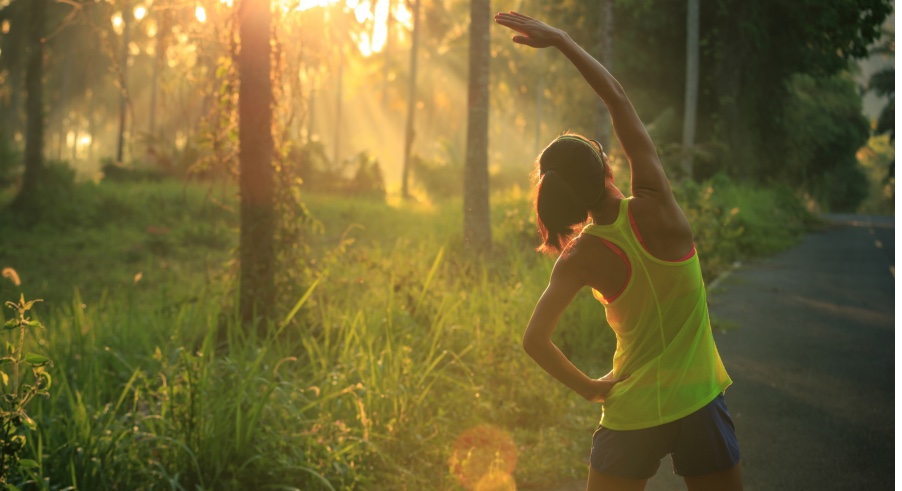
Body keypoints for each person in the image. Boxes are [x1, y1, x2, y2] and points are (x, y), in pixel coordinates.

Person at [493, 12, 742, 491]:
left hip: (630, 410)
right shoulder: (656, 203)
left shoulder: (579, 256)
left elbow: (534, 340)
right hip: (699, 401)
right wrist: (564, 41)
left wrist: (590, 387)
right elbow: (616, 97)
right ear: (607, 163)